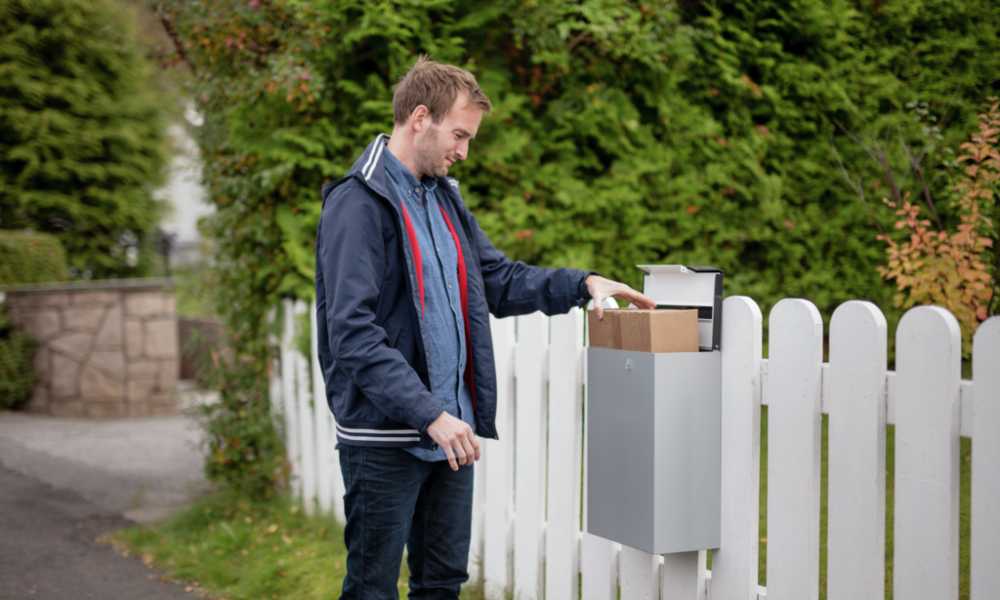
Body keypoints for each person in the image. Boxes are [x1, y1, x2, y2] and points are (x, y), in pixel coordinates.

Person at [315, 56, 655, 599]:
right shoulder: (358, 204)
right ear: (419, 117)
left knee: (443, 582)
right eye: (459, 135)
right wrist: (430, 415)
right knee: (371, 588)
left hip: (451, 435)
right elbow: (352, 333)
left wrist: (582, 283)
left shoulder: (443, 197)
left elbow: (494, 280)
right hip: (386, 438)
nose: (464, 152)